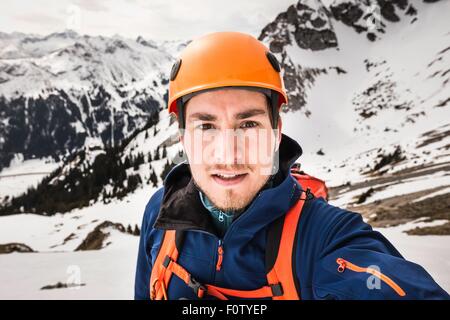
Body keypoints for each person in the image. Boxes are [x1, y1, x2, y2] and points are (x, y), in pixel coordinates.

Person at [134, 31, 449, 300]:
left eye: (248, 126)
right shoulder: (160, 214)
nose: (228, 156)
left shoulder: (324, 239)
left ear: (276, 133)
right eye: (206, 127)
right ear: (183, 138)